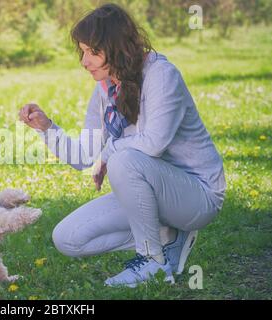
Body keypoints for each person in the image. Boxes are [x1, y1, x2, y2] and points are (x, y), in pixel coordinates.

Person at [18, 3, 226, 288]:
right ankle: (167, 238)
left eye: (93, 52)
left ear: (117, 49)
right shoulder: (105, 89)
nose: (84, 61)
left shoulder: (160, 75)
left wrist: (108, 154)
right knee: (68, 238)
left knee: (122, 160)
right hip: (149, 190)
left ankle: (152, 261)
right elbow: (82, 157)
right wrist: (47, 128)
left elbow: (153, 144)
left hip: (197, 196)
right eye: (83, 52)